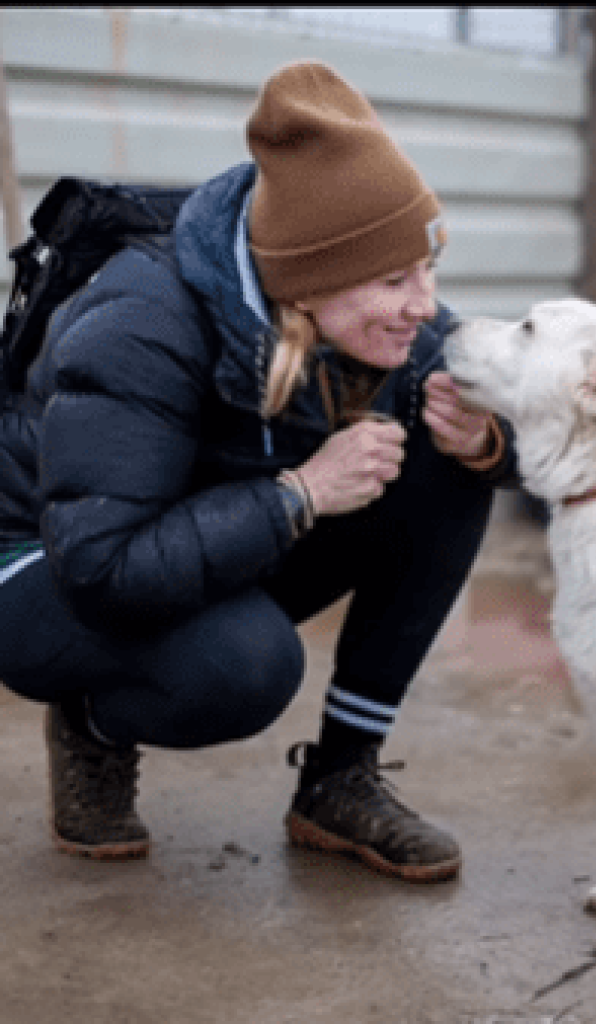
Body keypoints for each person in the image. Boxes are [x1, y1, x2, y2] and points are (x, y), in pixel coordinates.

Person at [0, 60, 517, 882]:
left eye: (429, 268)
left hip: (196, 527)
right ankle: (92, 725)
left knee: (448, 459)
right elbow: (102, 566)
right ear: (310, 284)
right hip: (44, 565)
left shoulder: (370, 311)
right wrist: (300, 495)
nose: (425, 303)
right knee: (245, 666)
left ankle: (339, 778)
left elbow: (504, 435)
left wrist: (487, 443)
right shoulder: (139, 322)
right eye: (396, 279)